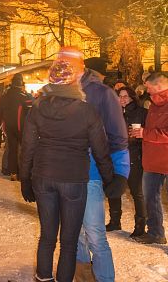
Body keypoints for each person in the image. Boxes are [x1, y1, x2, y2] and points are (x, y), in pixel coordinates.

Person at [20, 60, 115, 282]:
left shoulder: (37, 108)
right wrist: (109, 179)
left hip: (43, 177)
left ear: (50, 80)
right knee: (69, 241)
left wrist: (25, 179)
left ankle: (43, 278)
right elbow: (101, 150)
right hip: (73, 179)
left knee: (47, 236)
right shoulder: (86, 110)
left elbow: (28, 147)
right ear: (74, 81)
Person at [58, 49, 129, 282]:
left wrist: (121, 172)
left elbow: (118, 136)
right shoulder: (57, 93)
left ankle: (105, 278)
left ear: (80, 65)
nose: (64, 67)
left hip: (91, 174)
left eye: (68, 63)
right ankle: (84, 277)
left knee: (95, 234)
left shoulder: (101, 94)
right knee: (74, 232)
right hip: (63, 175)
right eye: (60, 63)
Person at [105, 87, 147, 237]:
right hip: (115, 156)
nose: (122, 99)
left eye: (125, 96)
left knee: (137, 192)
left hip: (133, 155)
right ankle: (115, 221)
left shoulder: (141, 113)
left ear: (132, 97)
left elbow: (146, 133)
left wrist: (141, 134)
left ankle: (140, 225)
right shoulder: (113, 114)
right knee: (114, 189)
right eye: (119, 96)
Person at [134, 72, 168, 245]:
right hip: (152, 160)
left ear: (159, 86)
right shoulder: (154, 104)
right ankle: (155, 233)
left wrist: (144, 133)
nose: (145, 89)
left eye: (148, 86)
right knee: (150, 197)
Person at [0, 73, 33, 181]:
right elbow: (31, 108)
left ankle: (13, 172)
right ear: (20, 84)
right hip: (21, 126)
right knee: (24, 149)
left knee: (12, 149)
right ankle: (23, 172)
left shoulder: (4, 96)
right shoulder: (23, 96)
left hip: (8, 126)